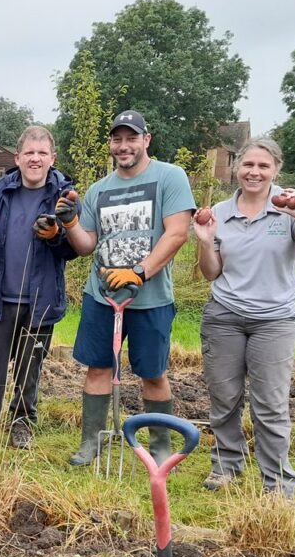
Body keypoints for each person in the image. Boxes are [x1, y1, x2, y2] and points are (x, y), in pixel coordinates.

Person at [194, 138, 295, 500]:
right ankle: (226, 465)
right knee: (224, 397)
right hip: (224, 316)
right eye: (248, 165)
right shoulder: (220, 212)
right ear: (237, 167)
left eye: (263, 166)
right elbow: (211, 273)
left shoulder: (292, 205)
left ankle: (278, 482)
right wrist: (206, 242)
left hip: (274, 320)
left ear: (276, 170)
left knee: (270, 404)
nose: (254, 172)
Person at [63, 110, 196, 466]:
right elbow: (86, 245)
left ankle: (160, 443)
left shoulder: (170, 177)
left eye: (131, 138)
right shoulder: (99, 190)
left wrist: (139, 272)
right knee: (97, 368)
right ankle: (91, 441)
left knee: (153, 372)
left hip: (150, 299)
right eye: (117, 139)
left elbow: (177, 233)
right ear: (110, 144)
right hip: (101, 296)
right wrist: (70, 222)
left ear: (146, 140)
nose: (124, 146)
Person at [0, 126, 79, 457]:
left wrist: (55, 234)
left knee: (30, 368)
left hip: (41, 300)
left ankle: (22, 422)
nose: (35, 159)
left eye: (42, 153)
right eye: (29, 153)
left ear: (52, 158)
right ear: (18, 157)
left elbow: (73, 248)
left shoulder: (64, 194)